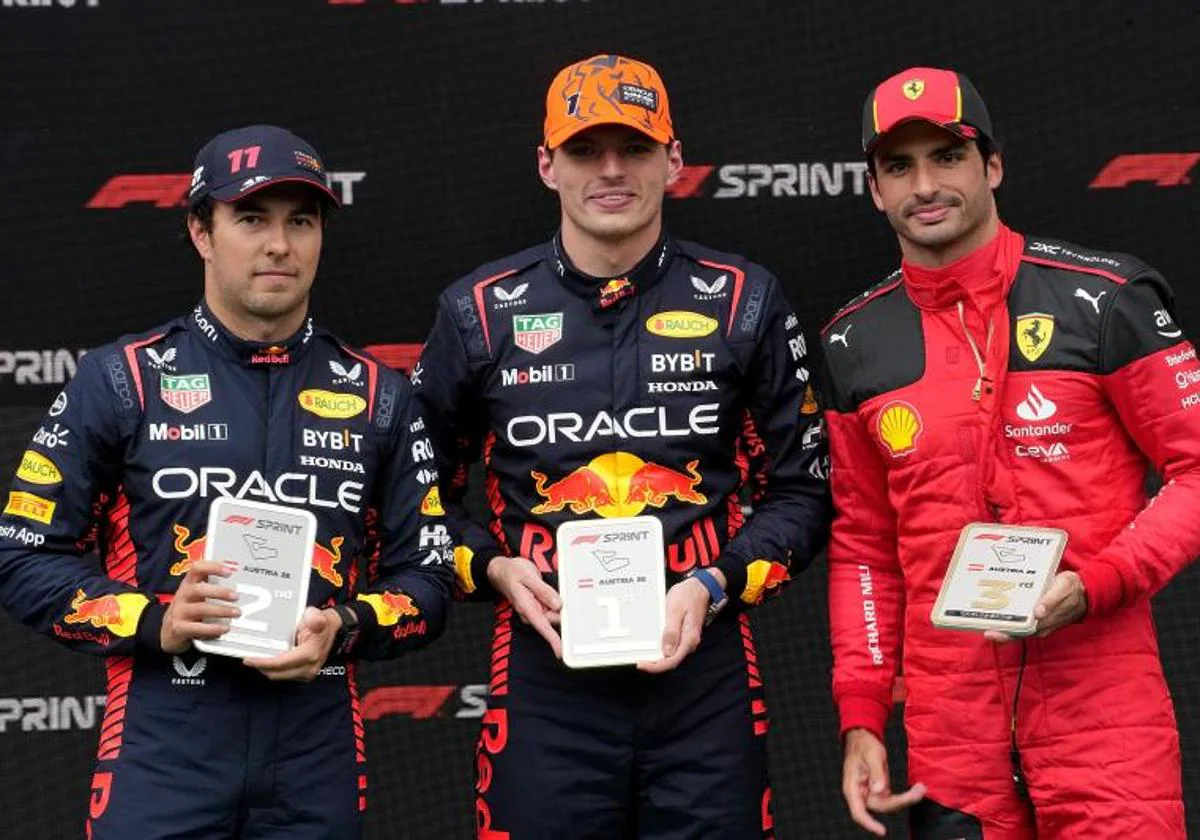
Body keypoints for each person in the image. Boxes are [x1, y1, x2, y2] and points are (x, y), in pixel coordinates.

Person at [414, 53, 829, 838]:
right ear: (547, 165)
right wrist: (497, 571)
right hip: (546, 672)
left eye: (634, 148)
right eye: (584, 151)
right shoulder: (479, 310)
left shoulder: (745, 299)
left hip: (702, 664)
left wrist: (714, 583)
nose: (611, 170)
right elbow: (418, 500)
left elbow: (804, 491)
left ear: (673, 160)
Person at [0, 124, 453, 839]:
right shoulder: (122, 381)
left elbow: (429, 576)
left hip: (316, 751)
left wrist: (344, 627)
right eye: (251, 219)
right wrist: (155, 620)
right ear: (201, 231)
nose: (279, 244)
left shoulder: (378, 396)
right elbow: (22, 554)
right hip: (164, 748)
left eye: (300, 221)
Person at [822, 66, 1200, 839]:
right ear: (873, 189)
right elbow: (863, 547)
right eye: (899, 166)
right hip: (949, 733)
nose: (925, 185)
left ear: (992, 166)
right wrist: (861, 712)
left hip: (1102, 711)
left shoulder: (1105, 301)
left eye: (948, 156)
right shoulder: (854, 343)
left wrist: (1097, 583)